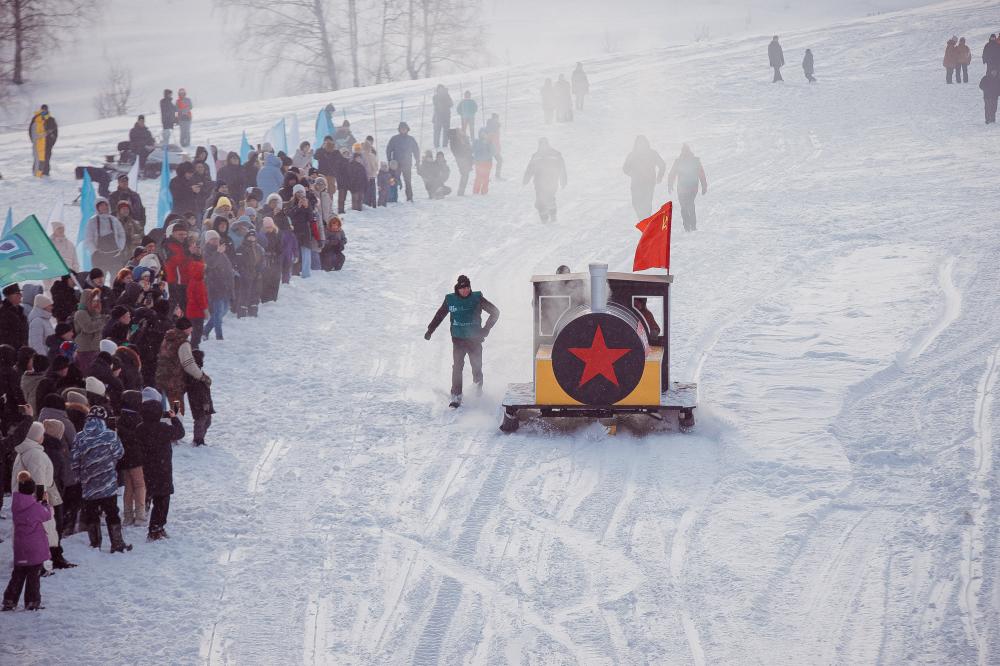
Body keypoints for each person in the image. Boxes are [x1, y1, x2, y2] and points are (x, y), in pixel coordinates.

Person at [424, 275, 500, 408]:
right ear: (457, 289)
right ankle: (456, 396)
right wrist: (430, 330)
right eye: (462, 288)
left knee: (477, 367)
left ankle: (477, 394)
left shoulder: (477, 298)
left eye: (467, 287)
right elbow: (439, 316)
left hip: (474, 340)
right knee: (457, 367)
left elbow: (495, 312)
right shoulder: (450, 300)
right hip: (458, 340)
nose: (465, 290)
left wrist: (485, 330)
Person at [72, 405, 131, 553]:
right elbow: (120, 453)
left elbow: (74, 460)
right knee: (112, 513)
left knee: (91, 514)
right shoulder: (110, 435)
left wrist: (80, 476)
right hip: (108, 483)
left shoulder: (80, 437)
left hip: (88, 483)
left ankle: (95, 544)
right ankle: (117, 543)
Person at [1, 472, 50, 611]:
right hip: (35, 547)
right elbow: (47, 515)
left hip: (20, 546)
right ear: (33, 490)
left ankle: (9, 600)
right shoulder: (36, 507)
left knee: (18, 574)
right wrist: (45, 502)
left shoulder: (16, 505)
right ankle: (32, 602)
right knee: (33, 576)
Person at [138, 398, 184, 541]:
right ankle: (156, 528)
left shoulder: (140, 428)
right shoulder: (163, 429)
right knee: (162, 499)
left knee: (155, 496)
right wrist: (174, 418)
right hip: (163, 468)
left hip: (147, 467)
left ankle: (156, 526)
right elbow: (180, 433)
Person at [156, 318, 210, 417]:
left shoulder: (167, 338)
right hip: (174, 383)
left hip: (162, 378)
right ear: (186, 329)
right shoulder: (183, 343)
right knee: (177, 411)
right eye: (190, 328)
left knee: (167, 407)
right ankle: (175, 427)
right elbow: (189, 365)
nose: (192, 330)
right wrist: (202, 376)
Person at [115, 390, 145, 526]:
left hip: (124, 458)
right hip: (137, 458)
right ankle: (140, 516)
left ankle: (127, 516)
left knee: (128, 486)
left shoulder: (120, 419)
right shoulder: (139, 420)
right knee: (139, 485)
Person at [523, 138, 568, 222]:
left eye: (544, 144)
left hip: (552, 181)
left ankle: (553, 215)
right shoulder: (536, 156)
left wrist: (563, 180)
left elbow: (562, 168)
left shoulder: (556, 154)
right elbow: (530, 168)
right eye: (541, 144)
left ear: (547, 144)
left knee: (550, 198)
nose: (543, 146)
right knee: (540, 201)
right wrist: (526, 179)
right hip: (539, 182)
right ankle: (544, 219)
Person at [623, 135, 666, 219]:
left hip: (648, 183)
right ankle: (642, 220)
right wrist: (633, 174)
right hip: (636, 184)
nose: (641, 145)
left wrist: (660, 176)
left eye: (643, 143)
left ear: (646, 143)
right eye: (639, 143)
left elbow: (662, 165)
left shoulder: (652, 153)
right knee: (636, 203)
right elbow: (625, 168)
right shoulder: (632, 155)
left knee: (646, 204)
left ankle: (646, 222)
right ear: (636, 144)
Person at [668, 144, 708, 232]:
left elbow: (701, 173)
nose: (685, 153)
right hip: (683, 188)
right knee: (685, 206)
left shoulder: (694, 161)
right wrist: (670, 184)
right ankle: (688, 225)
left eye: (686, 151)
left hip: (691, 188)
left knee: (688, 204)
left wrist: (704, 185)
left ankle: (691, 225)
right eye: (684, 151)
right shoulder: (679, 161)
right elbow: (672, 173)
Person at [202, 232, 235, 341]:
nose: (215, 241)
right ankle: (219, 336)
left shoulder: (221, 251)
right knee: (218, 312)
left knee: (223, 311)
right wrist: (218, 253)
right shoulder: (207, 252)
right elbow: (211, 264)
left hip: (225, 286)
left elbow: (228, 267)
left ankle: (205, 331)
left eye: (216, 239)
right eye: (212, 239)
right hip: (214, 286)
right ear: (207, 241)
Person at [84, 198, 126, 275]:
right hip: (99, 256)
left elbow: (122, 234)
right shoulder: (92, 221)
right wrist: (94, 251)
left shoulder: (114, 220)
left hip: (115, 255)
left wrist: (120, 247)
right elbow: (88, 238)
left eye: (105, 205)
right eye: (101, 206)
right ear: (97, 208)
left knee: (116, 278)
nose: (104, 207)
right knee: (99, 279)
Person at [73, 288, 109, 372]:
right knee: (88, 373)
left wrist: (98, 315)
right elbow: (88, 327)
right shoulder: (81, 313)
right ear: (87, 301)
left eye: (97, 300)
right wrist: (102, 320)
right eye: (93, 300)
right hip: (85, 349)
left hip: (95, 348)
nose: (96, 303)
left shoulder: (94, 313)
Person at [386, 122, 420, 203]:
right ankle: (392, 198)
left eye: (404, 128)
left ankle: (409, 197)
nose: (403, 130)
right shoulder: (394, 139)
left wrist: (417, 160)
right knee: (393, 180)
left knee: (408, 181)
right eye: (401, 128)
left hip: (407, 164)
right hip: (396, 164)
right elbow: (388, 149)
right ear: (399, 130)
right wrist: (389, 160)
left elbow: (416, 150)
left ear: (407, 129)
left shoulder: (411, 139)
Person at [185, 349, 213, 446]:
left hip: (204, 401)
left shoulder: (198, 371)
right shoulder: (193, 374)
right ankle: (198, 440)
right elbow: (199, 391)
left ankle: (200, 438)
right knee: (200, 420)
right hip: (199, 402)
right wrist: (204, 402)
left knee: (207, 421)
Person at [234, 230, 263, 318]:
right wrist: (243, 272)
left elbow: (261, 261)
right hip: (245, 274)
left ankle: (253, 311)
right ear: (246, 238)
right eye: (249, 237)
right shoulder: (241, 248)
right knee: (244, 293)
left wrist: (259, 271)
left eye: (253, 237)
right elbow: (238, 262)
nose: (251, 239)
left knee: (255, 292)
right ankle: (242, 312)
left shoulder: (258, 248)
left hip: (255, 273)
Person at [185, 247, 209, 347]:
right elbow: (201, 298)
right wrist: (205, 310)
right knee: (197, 332)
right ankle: (194, 347)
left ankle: (193, 346)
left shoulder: (192, 280)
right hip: (197, 311)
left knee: (194, 330)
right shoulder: (199, 283)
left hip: (191, 309)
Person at [28, 104, 57, 177]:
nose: (44, 111)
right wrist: (34, 141)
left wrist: (51, 142)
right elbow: (31, 131)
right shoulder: (36, 119)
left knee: (46, 159)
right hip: (39, 144)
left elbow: (55, 132)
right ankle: (36, 174)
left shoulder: (51, 119)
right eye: (43, 109)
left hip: (48, 144)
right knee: (38, 160)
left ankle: (46, 173)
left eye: (45, 110)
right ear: (41, 110)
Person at [0, 284, 29, 350]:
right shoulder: (3, 313)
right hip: (10, 354)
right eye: (17, 293)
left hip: (23, 353)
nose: (20, 296)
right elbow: (4, 338)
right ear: (8, 296)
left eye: (20, 293)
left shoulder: (21, 311)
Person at [448, 128, 474, 196]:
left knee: (465, 174)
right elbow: (456, 151)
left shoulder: (464, 138)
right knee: (465, 174)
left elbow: (469, 148)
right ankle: (461, 192)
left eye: (461, 130)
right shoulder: (454, 141)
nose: (461, 131)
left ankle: (461, 191)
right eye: (459, 131)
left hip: (466, 158)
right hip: (461, 159)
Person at [472, 129, 495, 195]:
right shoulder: (476, 142)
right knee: (478, 177)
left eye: (484, 133)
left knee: (486, 177)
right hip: (479, 162)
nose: (483, 135)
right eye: (481, 133)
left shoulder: (489, 142)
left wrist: (489, 143)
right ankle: (476, 191)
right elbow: (473, 150)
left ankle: (484, 191)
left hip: (487, 162)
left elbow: (493, 152)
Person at [432, 84, 453, 149]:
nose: (441, 90)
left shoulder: (447, 96)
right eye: (439, 89)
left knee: (446, 131)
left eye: (442, 89)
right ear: (437, 90)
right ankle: (436, 145)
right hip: (438, 116)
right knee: (437, 131)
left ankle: (445, 145)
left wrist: (446, 96)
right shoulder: (435, 97)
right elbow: (436, 103)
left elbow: (451, 104)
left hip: (446, 116)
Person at [484, 114, 504, 180]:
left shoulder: (491, 125)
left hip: (492, 147)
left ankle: (494, 176)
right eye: (497, 119)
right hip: (492, 148)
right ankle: (495, 176)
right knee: (498, 161)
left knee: (497, 161)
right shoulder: (494, 126)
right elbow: (493, 139)